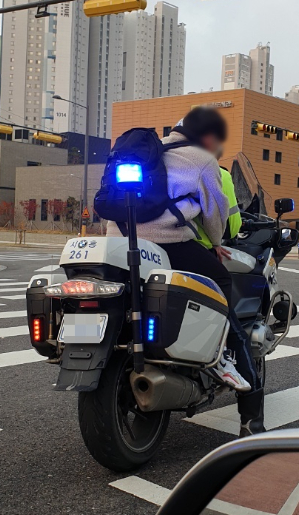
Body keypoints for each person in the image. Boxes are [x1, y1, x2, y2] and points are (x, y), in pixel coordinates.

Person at [107, 107, 264, 436]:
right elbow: (216, 214)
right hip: (171, 246)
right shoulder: (200, 160)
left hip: (120, 246)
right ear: (205, 137)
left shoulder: (146, 151)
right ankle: (249, 413)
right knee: (220, 290)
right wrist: (217, 241)